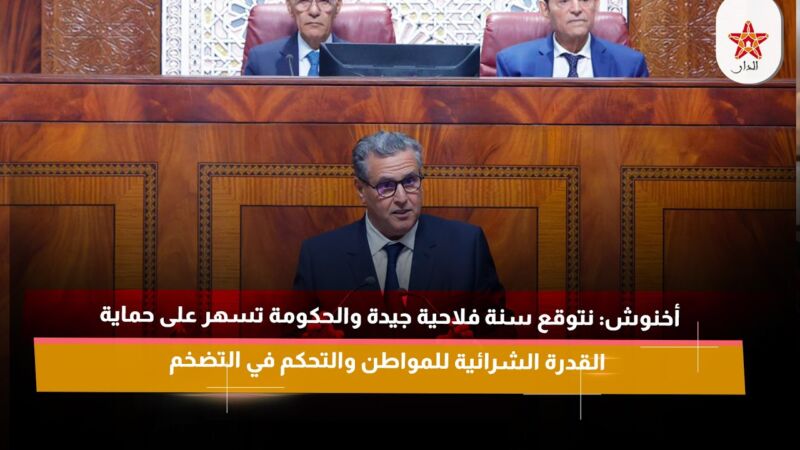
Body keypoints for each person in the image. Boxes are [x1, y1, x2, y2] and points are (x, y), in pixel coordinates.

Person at [292, 131, 506, 338]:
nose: (402, 198)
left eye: (410, 181)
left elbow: (502, 334)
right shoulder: (319, 256)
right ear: (360, 190)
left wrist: (466, 351)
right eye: (386, 186)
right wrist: (317, 349)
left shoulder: (466, 246)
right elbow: (290, 343)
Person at [496, 0, 649, 78]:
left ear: (596, 4)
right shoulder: (514, 64)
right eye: (564, 1)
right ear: (545, 9)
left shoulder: (631, 66)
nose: (576, 9)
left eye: (585, 0)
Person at [244, 0, 344, 76]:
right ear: (290, 7)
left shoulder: (353, 59)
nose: (314, 11)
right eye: (303, 1)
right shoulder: (260, 61)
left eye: (324, 1)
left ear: (338, 6)